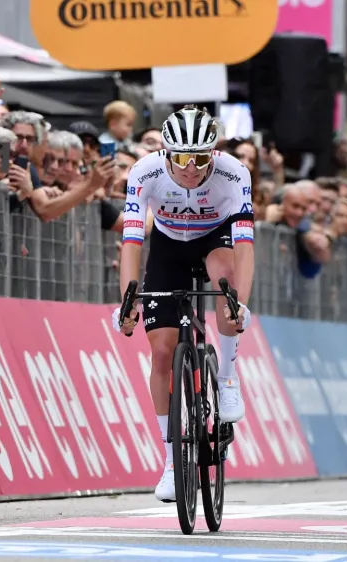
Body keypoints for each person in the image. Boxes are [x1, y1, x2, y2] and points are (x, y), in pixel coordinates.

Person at [112, 106, 253, 503]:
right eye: (182, 158)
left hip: (215, 239)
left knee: (226, 284)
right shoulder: (144, 172)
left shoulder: (234, 173)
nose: (191, 168)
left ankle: (227, 377)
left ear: (213, 154)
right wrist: (128, 302)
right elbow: (131, 243)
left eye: (201, 159)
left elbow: (245, 246)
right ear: (167, 153)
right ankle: (172, 461)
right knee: (161, 352)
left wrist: (239, 304)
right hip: (169, 246)